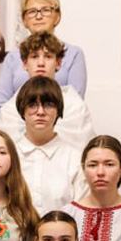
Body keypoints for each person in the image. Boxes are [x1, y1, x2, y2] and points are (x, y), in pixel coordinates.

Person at [0, 0, 88, 113]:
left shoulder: (74, 54)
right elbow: (0, 106)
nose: (39, 16)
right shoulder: (12, 58)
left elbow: (76, 104)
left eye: (46, 10)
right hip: (17, 125)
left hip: (63, 125)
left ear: (57, 17)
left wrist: (45, 126)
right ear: (24, 20)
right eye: (32, 12)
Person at [0, 34, 95, 151]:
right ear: (24, 63)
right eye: (34, 57)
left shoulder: (75, 106)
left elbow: (83, 150)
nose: (41, 63)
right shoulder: (9, 110)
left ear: (58, 63)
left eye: (48, 57)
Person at [13, 77, 85, 214]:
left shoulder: (74, 158)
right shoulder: (9, 156)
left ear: (58, 110)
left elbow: (81, 211)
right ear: (22, 110)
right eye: (32, 105)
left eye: (48, 105)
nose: (40, 112)